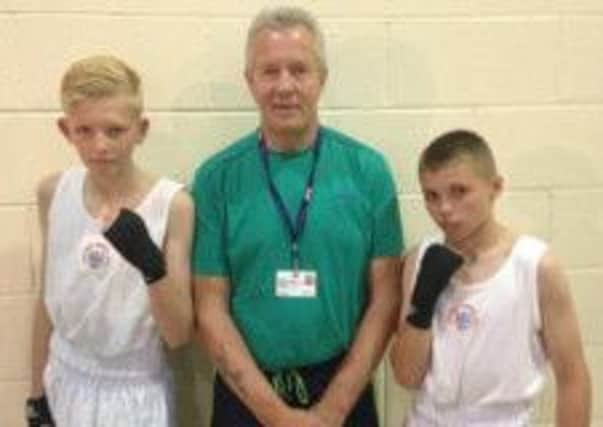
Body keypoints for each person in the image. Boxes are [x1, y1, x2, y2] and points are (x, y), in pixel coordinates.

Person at [192, 6, 403, 427]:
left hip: (343, 389)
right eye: (269, 71)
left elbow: (386, 298)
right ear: (249, 81)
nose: (284, 86)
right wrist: (274, 415)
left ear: (321, 78)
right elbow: (209, 308)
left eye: (299, 70)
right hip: (246, 395)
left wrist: (334, 408)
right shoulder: (217, 178)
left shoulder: (368, 171)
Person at [26, 55, 194, 427]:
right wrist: (35, 396)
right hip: (63, 379)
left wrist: (150, 263)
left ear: (141, 129)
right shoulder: (53, 192)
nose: (100, 145)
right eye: (84, 130)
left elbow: (179, 334)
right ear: (65, 129)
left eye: (114, 130)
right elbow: (45, 303)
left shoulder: (173, 205)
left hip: (135, 392)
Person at [389, 129, 592, 426]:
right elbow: (406, 375)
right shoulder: (421, 259)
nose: (444, 209)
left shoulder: (535, 266)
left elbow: (573, 378)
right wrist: (424, 302)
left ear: (495, 187)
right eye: (432, 196)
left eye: (459, 191)